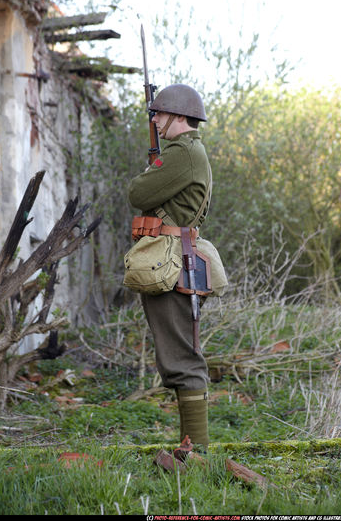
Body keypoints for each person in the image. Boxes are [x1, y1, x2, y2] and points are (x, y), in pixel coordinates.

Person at [128, 84, 212, 451]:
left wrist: (150, 172)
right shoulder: (188, 152)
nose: (156, 120)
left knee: (181, 359)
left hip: (173, 262)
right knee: (178, 355)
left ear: (179, 116)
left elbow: (138, 194)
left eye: (160, 114)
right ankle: (192, 449)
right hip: (177, 259)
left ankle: (198, 453)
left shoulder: (181, 153)